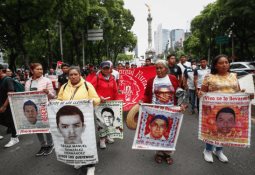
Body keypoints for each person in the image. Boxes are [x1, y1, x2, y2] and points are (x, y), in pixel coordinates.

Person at [57, 66, 100, 174]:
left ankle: (90, 166)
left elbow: (97, 99)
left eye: (75, 74)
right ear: (68, 76)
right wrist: (54, 102)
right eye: (71, 75)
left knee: (87, 141)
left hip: (85, 120)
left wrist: (90, 101)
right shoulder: (64, 86)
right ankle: (78, 160)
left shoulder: (87, 85)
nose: (73, 76)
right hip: (68, 120)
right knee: (73, 142)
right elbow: (59, 100)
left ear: (80, 75)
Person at [200, 54, 242, 163]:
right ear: (215, 65)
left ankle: (219, 151)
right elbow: (202, 93)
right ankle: (208, 150)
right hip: (213, 109)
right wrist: (200, 93)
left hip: (229, 110)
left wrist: (246, 95)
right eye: (221, 63)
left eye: (226, 62)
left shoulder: (234, 76)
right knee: (212, 130)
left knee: (224, 130)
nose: (224, 65)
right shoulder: (209, 77)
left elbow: (238, 92)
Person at [143, 59, 184, 165]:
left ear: (166, 69)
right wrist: (143, 104)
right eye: (157, 68)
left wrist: (180, 106)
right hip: (155, 112)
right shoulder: (151, 80)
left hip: (171, 112)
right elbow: (147, 95)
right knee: (157, 133)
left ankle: (168, 154)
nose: (158, 70)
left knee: (169, 133)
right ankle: (159, 153)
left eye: (161, 68)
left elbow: (178, 93)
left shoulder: (173, 79)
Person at [25, 63, 55, 156]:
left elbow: (53, 96)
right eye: (37, 69)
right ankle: (43, 145)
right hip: (33, 108)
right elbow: (25, 96)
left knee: (46, 127)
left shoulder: (47, 80)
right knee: (37, 128)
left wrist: (48, 92)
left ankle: (50, 144)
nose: (40, 71)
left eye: (41, 69)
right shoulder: (28, 82)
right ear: (32, 70)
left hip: (44, 107)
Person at [91, 61, 118, 149]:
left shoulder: (112, 78)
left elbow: (115, 90)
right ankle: (102, 139)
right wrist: (99, 97)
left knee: (109, 121)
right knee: (101, 122)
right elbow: (91, 90)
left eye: (107, 68)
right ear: (101, 69)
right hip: (100, 103)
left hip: (110, 103)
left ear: (110, 69)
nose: (106, 70)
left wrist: (116, 102)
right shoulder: (97, 78)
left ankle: (108, 135)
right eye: (104, 68)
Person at [0, 64, 19, 147]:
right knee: (6, 121)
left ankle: (14, 137)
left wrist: (4, 106)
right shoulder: (0, 80)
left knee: (11, 121)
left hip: (8, 105)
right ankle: (16, 129)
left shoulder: (7, 80)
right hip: (2, 105)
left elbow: (11, 93)